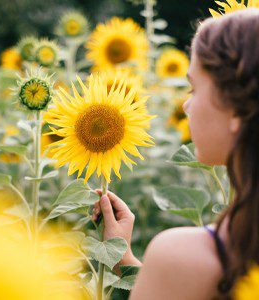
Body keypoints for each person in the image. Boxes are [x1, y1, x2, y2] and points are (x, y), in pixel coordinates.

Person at [92, 9, 259, 300]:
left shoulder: (183, 256)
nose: (185, 106)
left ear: (237, 109)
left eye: (194, 88)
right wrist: (125, 261)